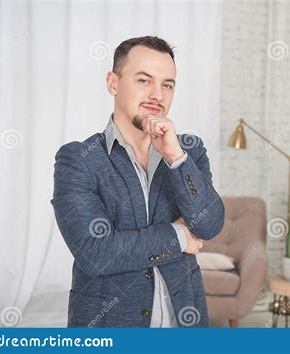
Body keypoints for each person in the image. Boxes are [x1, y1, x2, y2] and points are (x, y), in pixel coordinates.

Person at [51, 36, 225, 327]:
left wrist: (175, 157)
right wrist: (180, 236)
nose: (157, 95)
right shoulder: (78, 159)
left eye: (167, 84)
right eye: (144, 81)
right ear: (113, 83)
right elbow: (96, 254)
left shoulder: (189, 151)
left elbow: (209, 225)